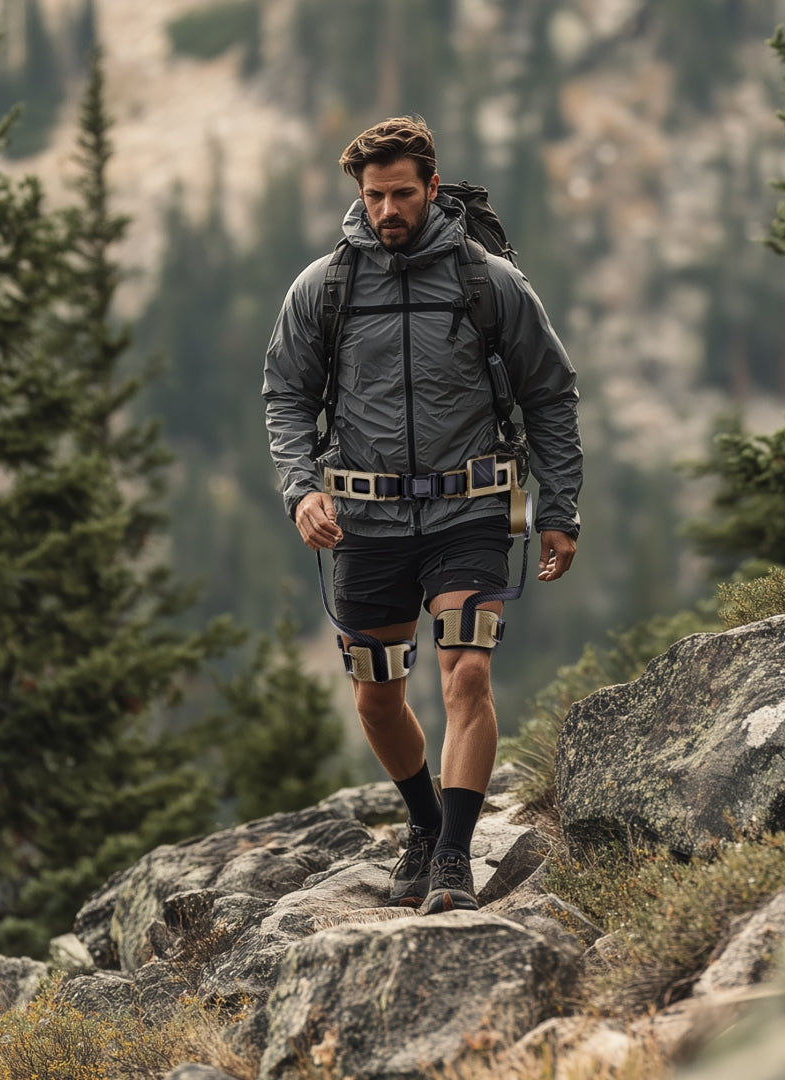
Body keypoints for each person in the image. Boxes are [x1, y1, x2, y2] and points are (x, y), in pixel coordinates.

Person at [263, 116, 581, 914]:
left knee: (466, 673)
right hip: (363, 521)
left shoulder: (489, 282)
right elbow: (286, 397)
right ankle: (424, 820)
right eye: (374, 196)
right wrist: (303, 489)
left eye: (403, 193)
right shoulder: (324, 288)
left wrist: (560, 508)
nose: (387, 210)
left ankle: (451, 859)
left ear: (433, 188)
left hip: (471, 510)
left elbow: (550, 393)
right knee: (377, 694)